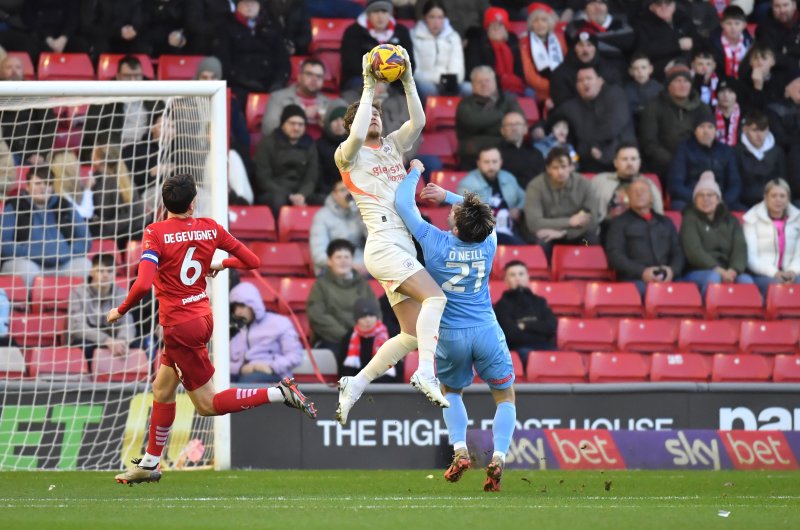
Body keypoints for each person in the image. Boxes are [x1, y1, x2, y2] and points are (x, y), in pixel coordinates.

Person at [108, 173, 316, 485]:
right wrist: (221, 264)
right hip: (201, 318)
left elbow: (141, 284)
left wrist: (120, 310)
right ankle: (150, 461)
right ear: (192, 204)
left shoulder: (155, 233)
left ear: (164, 203)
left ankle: (279, 392)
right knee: (162, 388)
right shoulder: (210, 227)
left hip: (179, 326)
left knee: (207, 405)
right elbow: (252, 260)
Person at [334, 47, 450, 425]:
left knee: (412, 334)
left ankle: (357, 382)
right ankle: (426, 372)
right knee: (436, 297)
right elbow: (354, 133)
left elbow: (418, 120)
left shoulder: (392, 146)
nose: (376, 120)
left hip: (403, 246)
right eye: (369, 116)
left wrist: (408, 79)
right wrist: (368, 87)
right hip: (383, 242)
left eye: (379, 115)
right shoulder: (347, 155)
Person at [394, 160, 516, 492]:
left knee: (452, 392)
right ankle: (500, 456)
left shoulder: (434, 242)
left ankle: (460, 450)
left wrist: (417, 170)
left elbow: (403, 204)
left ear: (457, 227)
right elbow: (485, 211)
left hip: (449, 334)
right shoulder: (489, 242)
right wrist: (448, 195)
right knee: (504, 398)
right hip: (486, 330)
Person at [0, 166, 91, 288]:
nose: (43, 187)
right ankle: (28, 306)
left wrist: (64, 252)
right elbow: (3, 244)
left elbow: (85, 239)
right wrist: (34, 252)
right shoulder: (14, 206)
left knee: (85, 266)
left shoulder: (64, 205)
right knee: (26, 270)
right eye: (38, 183)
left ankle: (76, 306)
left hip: (63, 263)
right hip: (28, 262)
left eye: (47, 183)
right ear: (27, 186)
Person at [605, 178, 685, 296]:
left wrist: (672, 271)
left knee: (686, 292)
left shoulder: (666, 222)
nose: (639, 193)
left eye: (643, 190)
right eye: (634, 191)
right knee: (648, 292)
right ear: (628, 198)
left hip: (666, 277)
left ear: (652, 197)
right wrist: (642, 272)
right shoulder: (618, 223)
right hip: (635, 280)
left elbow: (678, 252)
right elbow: (615, 256)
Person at [551, 65, 635, 172]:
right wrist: (538, 128)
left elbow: (613, 125)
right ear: (577, 86)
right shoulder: (570, 106)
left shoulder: (615, 95)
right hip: (587, 163)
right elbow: (552, 120)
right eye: (581, 80)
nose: (585, 83)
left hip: (620, 160)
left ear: (600, 81)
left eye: (589, 78)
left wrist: (594, 144)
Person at [680, 172, 753, 295]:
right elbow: (694, 251)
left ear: (718, 199)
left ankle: (744, 314)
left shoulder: (731, 220)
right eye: (701, 195)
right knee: (714, 278)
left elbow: (740, 248)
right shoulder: (689, 219)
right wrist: (718, 270)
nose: (706, 199)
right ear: (695, 200)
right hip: (698, 270)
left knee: (746, 281)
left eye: (710, 195)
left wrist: (734, 270)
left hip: (729, 269)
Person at [307, 239, 379, 355]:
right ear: (330, 261)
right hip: (333, 340)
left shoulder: (363, 284)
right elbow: (318, 317)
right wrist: (348, 336)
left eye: (347, 257)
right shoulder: (320, 286)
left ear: (352, 260)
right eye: (338, 257)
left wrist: (365, 333)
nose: (343, 261)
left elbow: (375, 311)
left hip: (364, 337)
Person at [639, 64, 708, 180]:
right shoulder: (654, 107)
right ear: (668, 85)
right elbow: (649, 143)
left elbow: (708, 138)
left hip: (696, 163)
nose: (683, 85)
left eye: (686, 81)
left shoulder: (702, 108)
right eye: (677, 81)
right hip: (664, 165)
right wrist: (675, 161)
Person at [524, 146, 599, 254]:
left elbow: (592, 220)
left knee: (590, 240)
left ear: (571, 167)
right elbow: (534, 223)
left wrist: (564, 233)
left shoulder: (584, 184)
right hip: (547, 233)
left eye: (564, 167)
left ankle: (586, 270)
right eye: (555, 168)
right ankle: (544, 271)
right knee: (541, 241)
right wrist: (569, 222)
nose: (560, 172)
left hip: (575, 234)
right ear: (548, 169)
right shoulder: (535, 186)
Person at [80, 56, 152, 163]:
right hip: (117, 150)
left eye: (137, 76)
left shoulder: (154, 93)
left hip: (146, 148)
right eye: (127, 76)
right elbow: (92, 131)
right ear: (118, 76)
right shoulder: (103, 97)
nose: (133, 81)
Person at [229, 281, 303, 383]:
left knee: (246, 383)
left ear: (253, 304)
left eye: (242, 306)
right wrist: (241, 368)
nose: (238, 312)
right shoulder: (232, 329)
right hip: (240, 374)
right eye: (234, 308)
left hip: (275, 375)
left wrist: (271, 367)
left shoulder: (279, 323)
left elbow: (295, 355)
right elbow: (222, 362)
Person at [667, 111, 743, 210]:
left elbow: (735, 183)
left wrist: (721, 201)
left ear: (716, 131)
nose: (706, 131)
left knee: (744, 213)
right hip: (691, 200)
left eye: (710, 127)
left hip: (720, 201)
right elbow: (675, 184)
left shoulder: (726, 151)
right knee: (677, 206)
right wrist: (699, 200)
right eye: (702, 127)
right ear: (695, 131)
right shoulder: (684, 149)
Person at [213, 0, 290, 98]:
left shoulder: (272, 26)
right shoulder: (225, 27)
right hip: (238, 85)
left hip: (269, 84)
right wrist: (243, 81)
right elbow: (223, 61)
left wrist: (277, 83)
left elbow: (282, 61)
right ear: (237, 5)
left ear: (259, 6)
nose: (249, 6)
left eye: (253, 2)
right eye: (245, 2)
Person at [68, 253, 135, 366]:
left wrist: (122, 340)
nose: (105, 275)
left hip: (115, 339)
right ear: (91, 272)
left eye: (109, 271)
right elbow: (77, 328)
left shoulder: (121, 294)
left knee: (138, 345)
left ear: (115, 273)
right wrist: (106, 340)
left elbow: (128, 323)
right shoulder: (78, 293)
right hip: (91, 339)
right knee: (84, 345)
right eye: (100, 271)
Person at [253, 104, 320, 216]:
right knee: (277, 200)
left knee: (324, 200)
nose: (296, 128)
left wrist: (302, 195)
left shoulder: (310, 145)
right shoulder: (267, 144)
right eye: (292, 123)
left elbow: (311, 177)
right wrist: (289, 195)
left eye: (300, 124)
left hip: (301, 192)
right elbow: (263, 178)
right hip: (274, 192)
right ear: (283, 124)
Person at [455, 66, 523, 170]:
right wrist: (502, 115)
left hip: (506, 152)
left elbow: (519, 121)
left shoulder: (508, 100)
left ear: (495, 82)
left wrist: (486, 124)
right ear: (472, 85)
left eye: (487, 81)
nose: (484, 84)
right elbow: (473, 122)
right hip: (473, 155)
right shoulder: (465, 104)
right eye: (479, 81)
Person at [339, 0, 415, 91]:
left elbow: (409, 63)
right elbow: (351, 64)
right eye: (375, 11)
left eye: (384, 11)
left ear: (390, 14)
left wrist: (388, 80)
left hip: (393, 81)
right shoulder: (353, 31)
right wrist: (376, 79)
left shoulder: (401, 32)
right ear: (368, 14)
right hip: (362, 79)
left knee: (413, 88)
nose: (380, 16)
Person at [261, 58, 346, 139]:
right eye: (309, 74)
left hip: (321, 151)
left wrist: (326, 126)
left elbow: (339, 136)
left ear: (323, 81)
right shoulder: (278, 97)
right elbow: (269, 130)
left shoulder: (329, 103)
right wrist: (301, 115)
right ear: (299, 77)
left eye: (319, 76)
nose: (314, 79)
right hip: (289, 150)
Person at [743, 178, 800, 297]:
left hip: (793, 273)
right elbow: (751, 258)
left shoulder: (797, 219)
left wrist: (793, 271)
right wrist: (774, 273)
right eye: (773, 196)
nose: (778, 200)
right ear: (766, 198)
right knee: (777, 286)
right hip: (763, 274)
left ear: (788, 198)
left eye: (782, 196)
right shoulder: (752, 219)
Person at [457, 146, 526, 244]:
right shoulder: (467, 183)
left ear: (500, 162)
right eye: (486, 162)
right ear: (479, 163)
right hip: (483, 233)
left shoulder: (508, 178)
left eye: (494, 162)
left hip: (511, 228)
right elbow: (464, 211)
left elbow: (524, 197)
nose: (491, 166)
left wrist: (518, 209)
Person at [493, 260, 557, 366]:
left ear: (528, 277)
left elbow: (551, 327)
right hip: (519, 351)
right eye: (512, 275)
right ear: (506, 280)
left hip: (545, 347)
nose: (517, 278)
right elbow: (510, 335)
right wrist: (538, 329)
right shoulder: (501, 306)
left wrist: (524, 325)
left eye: (521, 274)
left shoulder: (540, 301)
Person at [591, 143, 663, 231]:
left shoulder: (649, 184)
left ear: (639, 162)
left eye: (633, 159)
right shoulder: (600, 181)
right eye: (624, 159)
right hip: (609, 228)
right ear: (615, 163)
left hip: (640, 230)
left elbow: (659, 215)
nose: (629, 163)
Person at [0, 55, 57, 167]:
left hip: (31, 156)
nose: (14, 71)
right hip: (3, 156)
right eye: (9, 67)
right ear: (1, 71)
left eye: (18, 67)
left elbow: (49, 125)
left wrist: (41, 153)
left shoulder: (35, 91)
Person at [410, 0, 467, 101]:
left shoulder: (453, 37)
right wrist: (440, 78)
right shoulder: (413, 36)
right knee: (428, 90)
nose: (436, 21)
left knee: (469, 89)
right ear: (424, 18)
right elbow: (415, 71)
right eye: (432, 17)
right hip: (425, 82)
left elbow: (458, 66)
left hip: (451, 82)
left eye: (440, 17)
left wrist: (449, 81)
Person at [464, 6, 526, 96]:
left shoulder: (513, 44)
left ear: (506, 29)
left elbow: (521, 70)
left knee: (530, 92)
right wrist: (502, 80)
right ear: (487, 28)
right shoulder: (477, 43)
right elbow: (474, 69)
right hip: (486, 85)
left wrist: (515, 81)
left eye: (500, 25)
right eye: (493, 25)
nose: (496, 28)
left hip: (514, 86)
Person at [309, 181, 367, 276]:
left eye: (351, 189)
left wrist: (364, 220)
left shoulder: (360, 213)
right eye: (343, 190)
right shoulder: (322, 216)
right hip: (332, 266)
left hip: (361, 264)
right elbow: (318, 254)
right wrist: (349, 265)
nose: (348, 193)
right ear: (334, 195)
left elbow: (376, 244)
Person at [519, 3, 566, 109]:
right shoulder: (524, 43)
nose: (540, 24)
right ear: (531, 24)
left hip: (561, 87)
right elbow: (529, 75)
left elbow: (567, 65)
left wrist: (560, 85)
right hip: (539, 90)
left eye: (544, 20)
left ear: (549, 22)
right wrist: (552, 86)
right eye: (536, 20)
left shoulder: (560, 40)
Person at [635, 0, 696, 80]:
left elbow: (697, 41)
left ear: (674, 4)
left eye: (668, 3)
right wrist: (676, 45)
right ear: (651, 5)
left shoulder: (683, 17)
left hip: (687, 67)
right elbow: (643, 51)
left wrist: (681, 61)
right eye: (659, 3)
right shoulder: (641, 22)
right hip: (658, 74)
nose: (664, 7)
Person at [737, 110, 787, 208]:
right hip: (744, 204)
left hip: (773, 204)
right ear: (745, 130)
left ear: (768, 130)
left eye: (763, 130)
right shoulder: (736, 152)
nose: (759, 135)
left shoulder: (777, 152)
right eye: (754, 130)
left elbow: (783, 181)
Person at [341, 297, 397, 382]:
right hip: (357, 386)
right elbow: (345, 369)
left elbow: (397, 367)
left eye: (371, 315)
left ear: (376, 317)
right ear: (357, 319)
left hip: (385, 386)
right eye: (363, 317)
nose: (368, 320)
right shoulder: (349, 338)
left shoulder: (389, 335)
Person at [498, 111, 545, 190]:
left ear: (525, 129)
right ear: (502, 130)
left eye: (517, 124)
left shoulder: (537, 154)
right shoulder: (495, 154)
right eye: (509, 125)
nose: (514, 128)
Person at [709, 6, 752, 80]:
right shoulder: (712, 42)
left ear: (744, 25)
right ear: (722, 24)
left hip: (744, 81)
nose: (733, 27)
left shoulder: (750, 43)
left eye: (737, 24)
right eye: (729, 23)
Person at [50, 149, 93, 220]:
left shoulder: (64, 186)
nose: (79, 164)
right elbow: (85, 215)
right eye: (76, 161)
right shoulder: (59, 190)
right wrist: (88, 189)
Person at [624, 53, 663, 121]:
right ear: (631, 71)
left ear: (650, 69)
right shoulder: (626, 90)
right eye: (636, 69)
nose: (640, 72)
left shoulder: (659, 88)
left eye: (643, 68)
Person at [714, 78, 742, 147]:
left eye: (730, 92)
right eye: (722, 91)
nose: (726, 95)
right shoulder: (710, 113)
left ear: (736, 95)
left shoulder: (745, 115)